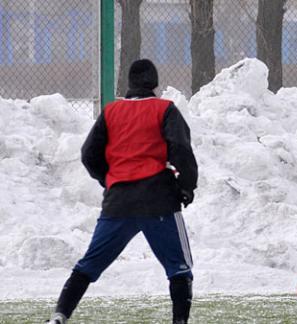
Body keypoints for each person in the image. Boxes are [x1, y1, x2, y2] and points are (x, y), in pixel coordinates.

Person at [46, 59, 198, 324]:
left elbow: (88, 154)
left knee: (89, 265)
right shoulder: (165, 109)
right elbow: (181, 149)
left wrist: (109, 179)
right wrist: (186, 186)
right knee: (179, 269)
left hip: (119, 203)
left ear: (129, 83)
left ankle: (59, 316)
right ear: (154, 82)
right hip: (158, 200)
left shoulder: (111, 112)